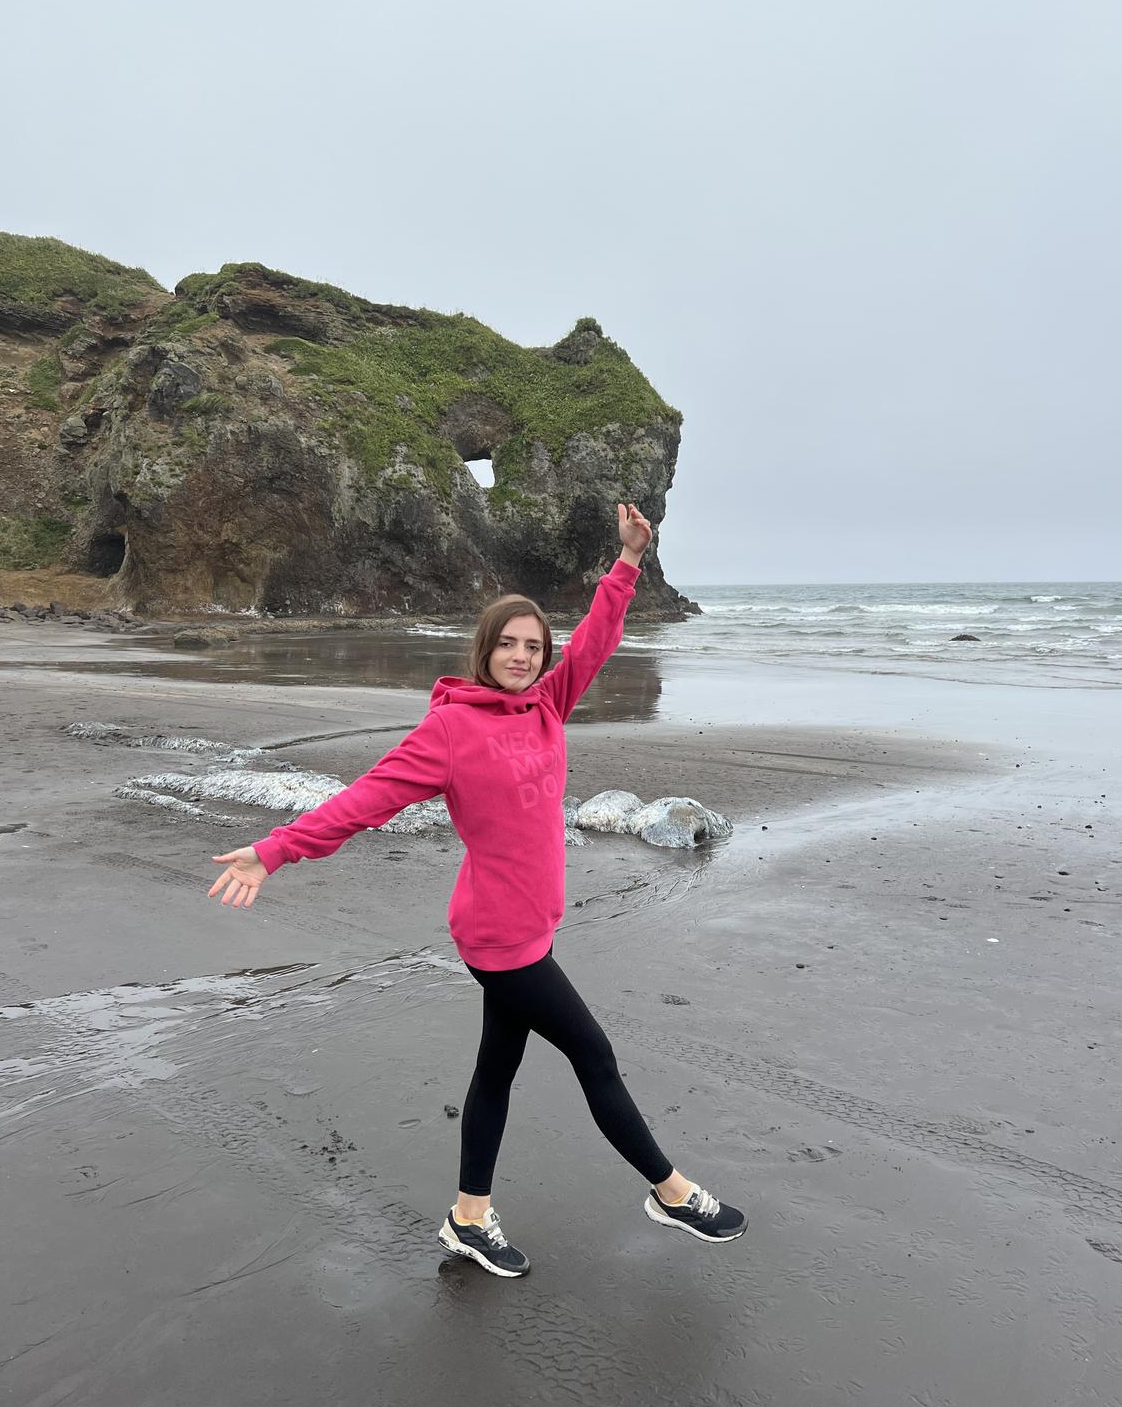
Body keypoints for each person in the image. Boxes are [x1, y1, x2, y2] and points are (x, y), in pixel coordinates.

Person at [208, 503, 747, 1278]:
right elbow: (366, 799)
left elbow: (596, 640)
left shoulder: (546, 706)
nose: (522, 657)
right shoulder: (450, 731)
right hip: (499, 939)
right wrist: (275, 850)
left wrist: (629, 561)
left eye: (534, 646)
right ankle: (672, 1192)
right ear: (485, 649)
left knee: (496, 1069)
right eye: (508, 644)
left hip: (532, 927)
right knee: (594, 1056)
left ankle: (468, 1217)